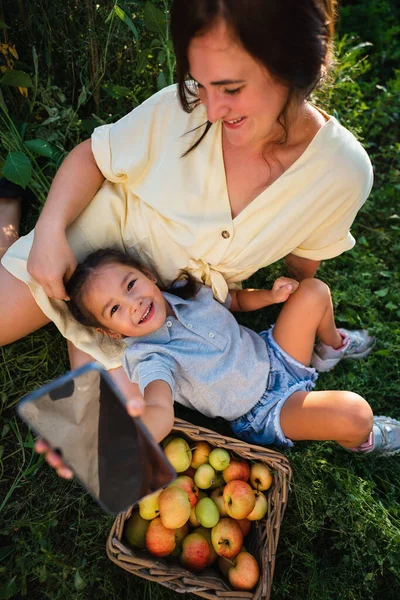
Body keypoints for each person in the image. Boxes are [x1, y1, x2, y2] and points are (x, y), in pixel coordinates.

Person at [1, 1, 373, 399]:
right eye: (200, 82)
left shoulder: (342, 173)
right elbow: (93, 156)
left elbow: (307, 252)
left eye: (230, 89)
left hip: (167, 314)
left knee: (121, 434)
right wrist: (50, 233)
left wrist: (295, 295)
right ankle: (8, 213)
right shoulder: (185, 106)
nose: (211, 111)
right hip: (92, 242)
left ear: (296, 67)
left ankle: (70, 308)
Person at [56, 247, 399, 458]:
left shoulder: (183, 291)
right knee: (355, 414)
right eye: (114, 309)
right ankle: (363, 439)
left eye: (131, 285)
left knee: (313, 290)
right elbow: (158, 402)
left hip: (274, 354)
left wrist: (270, 297)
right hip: (263, 410)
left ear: (147, 275)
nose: (134, 303)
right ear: (109, 331)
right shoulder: (148, 356)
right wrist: (140, 435)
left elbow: (233, 301)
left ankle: (329, 348)